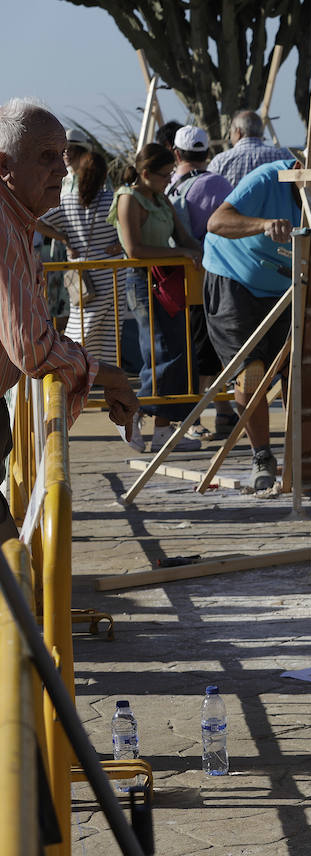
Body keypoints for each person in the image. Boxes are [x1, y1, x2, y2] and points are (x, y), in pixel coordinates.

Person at [0, 98, 139, 537]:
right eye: (46, 157)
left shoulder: (19, 220)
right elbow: (32, 347)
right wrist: (107, 375)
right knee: (13, 575)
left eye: (62, 157)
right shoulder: (4, 225)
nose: (61, 170)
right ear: (4, 164)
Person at [203, 159, 311, 490]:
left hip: (288, 286)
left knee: (296, 368)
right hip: (235, 278)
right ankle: (262, 456)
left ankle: (298, 457)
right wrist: (262, 225)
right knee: (252, 371)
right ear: (300, 166)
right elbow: (217, 222)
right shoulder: (268, 178)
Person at [109, 143, 204, 452]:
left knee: (178, 351)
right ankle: (135, 414)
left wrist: (203, 252)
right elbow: (134, 250)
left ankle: (162, 431)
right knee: (159, 351)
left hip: (168, 279)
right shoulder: (128, 199)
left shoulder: (159, 196)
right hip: (144, 281)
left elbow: (183, 235)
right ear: (146, 173)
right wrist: (181, 252)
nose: (169, 180)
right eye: (164, 175)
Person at [166, 125, 235, 438]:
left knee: (188, 349)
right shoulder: (218, 183)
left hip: (171, 281)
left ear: (177, 153)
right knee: (212, 348)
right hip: (211, 276)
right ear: (207, 153)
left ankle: (218, 412)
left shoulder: (167, 186)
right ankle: (199, 415)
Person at [37, 138, 121, 365]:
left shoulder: (68, 200)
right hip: (112, 272)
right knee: (110, 332)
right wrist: (121, 246)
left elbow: (37, 222)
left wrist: (64, 238)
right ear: (104, 175)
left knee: (79, 324)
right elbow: (129, 231)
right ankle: (106, 376)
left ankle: (70, 367)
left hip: (81, 272)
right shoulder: (112, 200)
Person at [207, 110, 295, 186]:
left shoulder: (220, 161)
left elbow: (209, 190)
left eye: (231, 132)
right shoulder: (284, 156)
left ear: (238, 132)